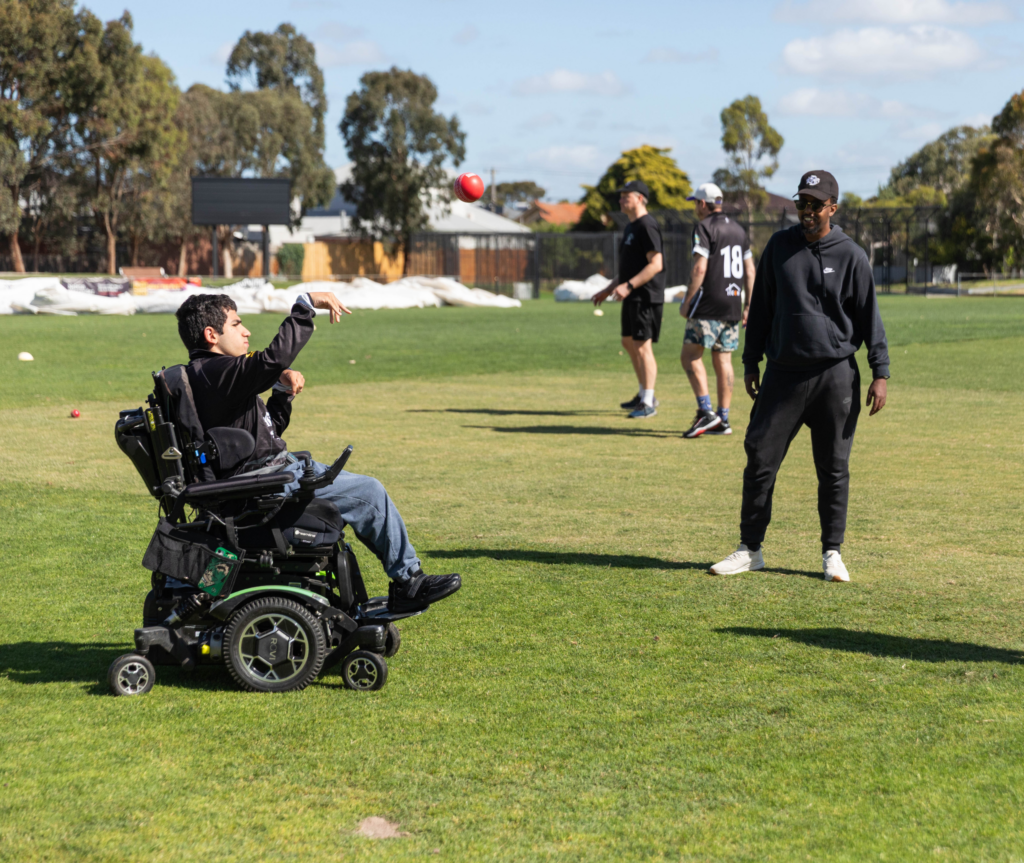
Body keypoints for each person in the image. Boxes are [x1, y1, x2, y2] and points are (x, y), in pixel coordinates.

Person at [174, 291, 461, 612]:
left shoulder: (211, 375)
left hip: (274, 469)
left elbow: (264, 434)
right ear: (211, 335)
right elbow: (273, 359)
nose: (246, 332)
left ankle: (406, 580)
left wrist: (281, 391)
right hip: (267, 480)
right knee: (369, 492)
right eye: (237, 324)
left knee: (361, 488)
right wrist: (305, 305)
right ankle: (409, 582)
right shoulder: (218, 372)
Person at [710, 170, 890, 583]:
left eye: (814, 205)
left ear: (832, 208)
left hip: (835, 376)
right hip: (783, 375)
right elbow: (762, 309)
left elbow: (870, 318)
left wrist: (881, 373)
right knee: (759, 459)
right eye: (801, 203)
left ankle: (832, 553)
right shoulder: (778, 247)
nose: (806, 212)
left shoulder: (852, 255)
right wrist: (751, 360)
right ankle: (749, 549)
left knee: (833, 468)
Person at [678, 182, 756, 438]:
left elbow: (700, 268)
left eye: (695, 203)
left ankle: (706, 412)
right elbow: (750, 271)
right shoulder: (738, 229)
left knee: (690, 356)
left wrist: (688, 300)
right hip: (733, 302)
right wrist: (748, 306)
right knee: (723, 359)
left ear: (702, 203)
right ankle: (723, 419)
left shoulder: (704, 227)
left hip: (708, 303)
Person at [591, 180, 666, 419]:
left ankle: (648, 401)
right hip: (631, 294)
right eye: (620, 196)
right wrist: (609, 288)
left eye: (626, 196)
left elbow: (656, 264)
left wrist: (630, 286)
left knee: (643, 347)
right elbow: (627, 269)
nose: (621, 200)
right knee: (628, 342)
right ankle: (644, 391)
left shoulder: (647, 225)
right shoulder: (630, 227)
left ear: (640, 198)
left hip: (645, 296)